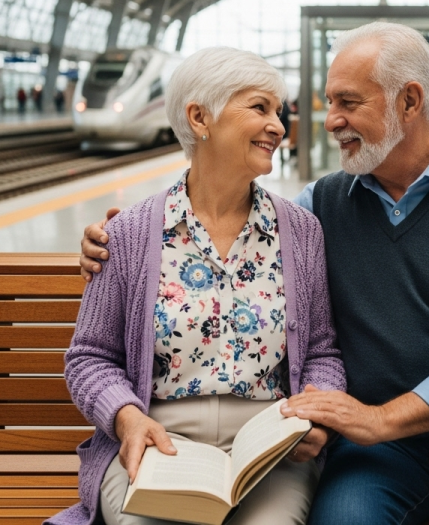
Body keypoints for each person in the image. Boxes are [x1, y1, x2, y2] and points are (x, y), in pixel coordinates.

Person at [80, 24, 429, 525]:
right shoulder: (318, 209)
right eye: (329, 102)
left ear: (410, 102)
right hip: (375, 454)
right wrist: (122, 237)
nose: (329, 120)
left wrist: (375, 420)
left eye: (347, 103)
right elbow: (233, 221)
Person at [52, 47, 345, 525]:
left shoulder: (302, 231)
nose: (278, 125)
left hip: (268, 447)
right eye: (259, 107)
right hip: (158, 439)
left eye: (279, 111)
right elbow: (89, 358)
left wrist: (316, 416)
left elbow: (322, 354)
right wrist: (127, 418)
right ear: (199, 117)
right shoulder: (128, 233)